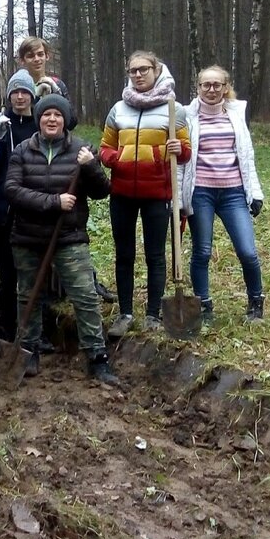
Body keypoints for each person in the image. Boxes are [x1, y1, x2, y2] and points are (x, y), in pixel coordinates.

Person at [5, 93, 118, 383]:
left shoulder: (82, 149)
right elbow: (13, 191)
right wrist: (54, 202)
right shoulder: (22, 150)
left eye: (57, 115)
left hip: (69, 236)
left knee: (84, 294)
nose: (51, 119)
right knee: (28, 294)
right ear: (38, 119)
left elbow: (102, 191)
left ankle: (97, 356)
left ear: (65, 120)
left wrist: (91, 165)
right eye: (46, 115)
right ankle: (28, 351)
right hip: (28, 236)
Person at [99, 51, 191, 335]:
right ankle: (125, 314)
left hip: (157, 194)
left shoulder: (174, 109)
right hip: (122, 193)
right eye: (133, 71)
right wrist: (121, 158)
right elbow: (104, 149)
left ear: (156, 70)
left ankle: (153, 315)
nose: (138, 75)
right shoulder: (118, 109)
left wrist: (176, 150)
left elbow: (185, 152)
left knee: (155, 255)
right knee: (124, 254)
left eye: (143, 70)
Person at [178, 65, 266, 322]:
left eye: (217, 85)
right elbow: (182, 161)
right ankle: (203, 305)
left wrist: (255, 192)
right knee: (202, 252)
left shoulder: (237, 115)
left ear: (226, 88)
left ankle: (256, 301)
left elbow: (247, 158)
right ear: (198, 88)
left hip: (233, 193)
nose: (212, 90)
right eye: (206, 85)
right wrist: (179, 200)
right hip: (200, 193)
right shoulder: (186, 116)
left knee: (247, 251)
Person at [0, 69, 39, 345]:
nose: (19, 96)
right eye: (15, 92)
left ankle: (34, 334)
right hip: (3, 209)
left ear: (32, 95)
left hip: (34, 209)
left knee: (34, 275)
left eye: (24, 91)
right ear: (9, 95)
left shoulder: (42, 123)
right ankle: (5, 330)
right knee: (7, 276)